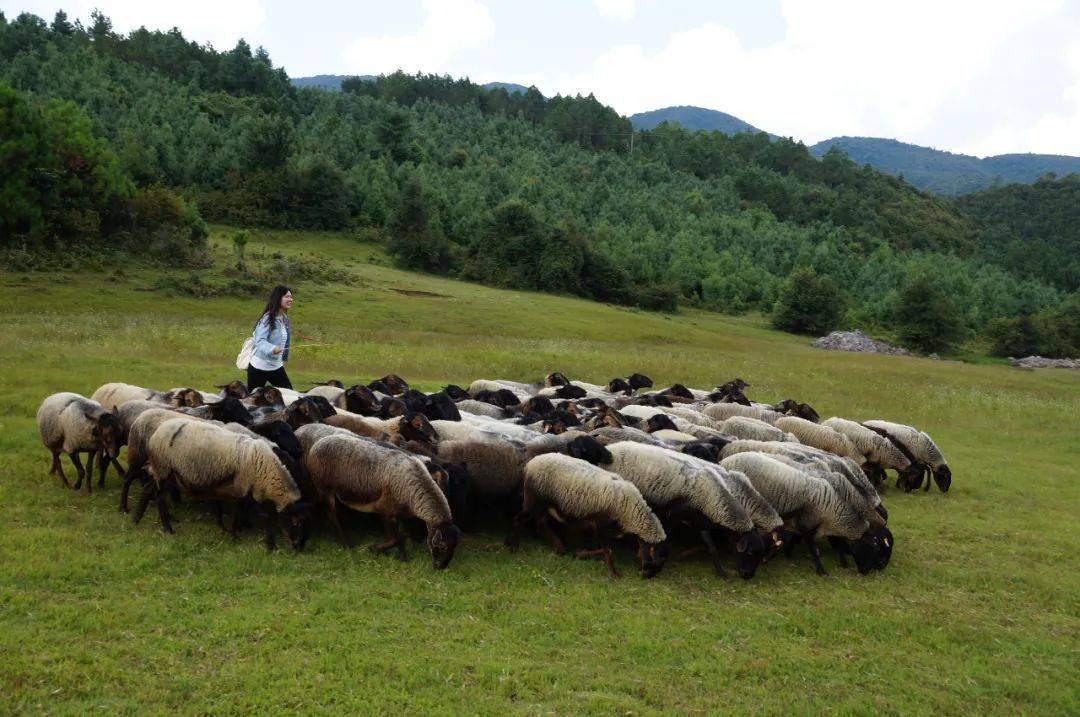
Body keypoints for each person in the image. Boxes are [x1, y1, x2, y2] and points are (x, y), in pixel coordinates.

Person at [248, 284, 294, 391]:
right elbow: (259, 341)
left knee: (289, 394)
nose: (290, 299)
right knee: (253, 400)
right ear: (278, 299)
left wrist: (284, 357)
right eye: (287, 297)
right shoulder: (267, 319)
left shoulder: (285, 319)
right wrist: (272, 349)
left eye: (291, 297)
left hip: (276, 366)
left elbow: (286, 341)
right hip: (259, 367)